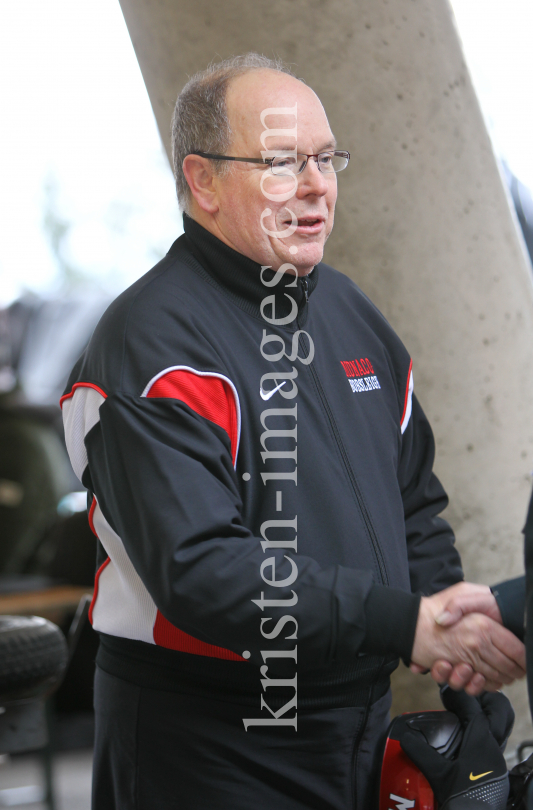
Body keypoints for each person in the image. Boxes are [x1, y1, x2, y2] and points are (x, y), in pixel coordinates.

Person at [60, 54, 525, 809]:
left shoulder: (351, 313)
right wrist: (404, 622)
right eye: (280, 162)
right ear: (203, 181)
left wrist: (457, 653)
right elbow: (203, 571)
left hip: (356, 729)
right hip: (207, 746)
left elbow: (413, 509)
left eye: (324, 158)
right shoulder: (149, 343)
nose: (315, 186)